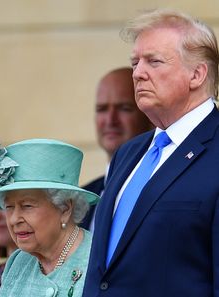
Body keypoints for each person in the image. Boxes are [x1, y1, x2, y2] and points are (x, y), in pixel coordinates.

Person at [82, 9, 219, 297]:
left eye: (153, 61)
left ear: (197, 74)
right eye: (135, 62)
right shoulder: (128, 153)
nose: (138, 73)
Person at [0, 139, 99, 296]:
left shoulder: (99, 258)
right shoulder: (18, 261)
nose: (14, 220)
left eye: (27, 206)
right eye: (9, 207)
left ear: (65, 208)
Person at [80, 67, 153, 231]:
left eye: (124, 108)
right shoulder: (81, 198)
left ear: (150, 117)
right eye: (102, 109)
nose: (110, 120)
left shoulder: (164, 188)